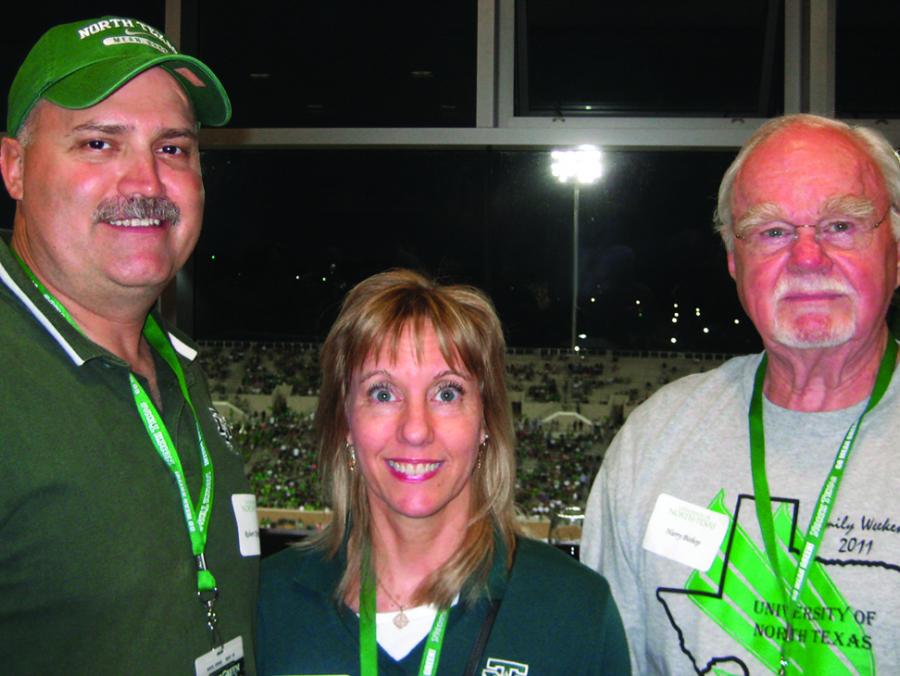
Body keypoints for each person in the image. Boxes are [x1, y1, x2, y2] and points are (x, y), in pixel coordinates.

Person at [582, 113, 900, 675]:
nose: (807, 258)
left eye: (840, 225)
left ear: (895, 250)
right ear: (735, 261)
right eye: (772, 232)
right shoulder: (654, 441)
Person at [0, 17, 259, 673]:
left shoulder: (175, 368)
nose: (146, 183)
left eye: (172, 149)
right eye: (99, 144)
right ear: (15, 167)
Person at [258, 269, 629, 675]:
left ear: (486, 421)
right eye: (383, 393)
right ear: (346, 422)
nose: (415, 429)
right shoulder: (266, 602)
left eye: (447, 393)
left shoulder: (577, 609)